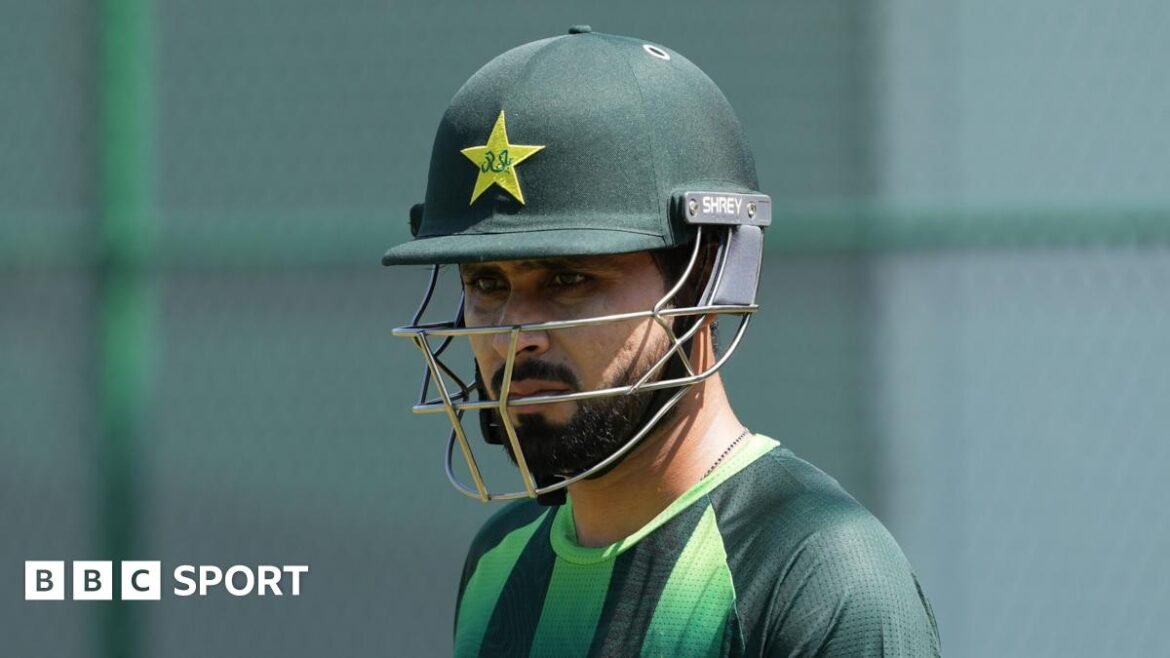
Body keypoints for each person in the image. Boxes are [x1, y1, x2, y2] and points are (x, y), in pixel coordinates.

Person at [383, 26, 942, 657]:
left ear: (701, 282)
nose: (517, 335)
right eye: (486, 281)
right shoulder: (499, 563)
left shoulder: (815, 577)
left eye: (569, 279)